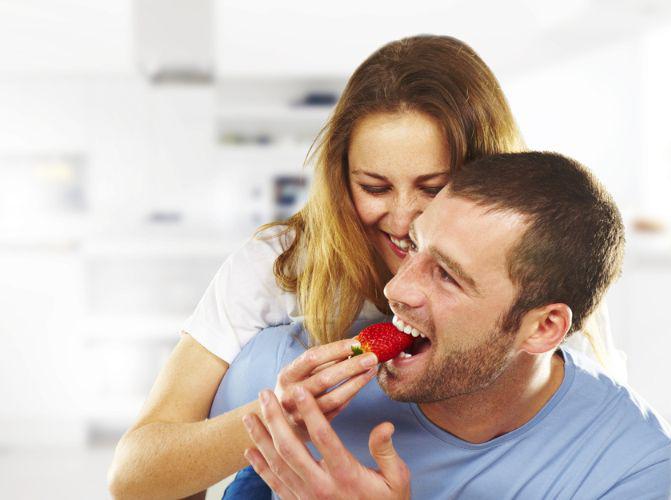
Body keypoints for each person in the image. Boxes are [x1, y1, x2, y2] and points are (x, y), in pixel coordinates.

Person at [108, 35, 620, 499]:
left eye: (434, 188)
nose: (402, 219)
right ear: (340, 178)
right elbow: (135, 475)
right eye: (373, 188)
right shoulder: (280, 266)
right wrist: (285, 416)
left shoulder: (540, 304)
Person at [214, 153, 671, 499]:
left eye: (447, 275)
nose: (397, 289)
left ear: (542, 328)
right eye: (414, 247)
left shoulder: (628, 460)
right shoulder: (284, 368)